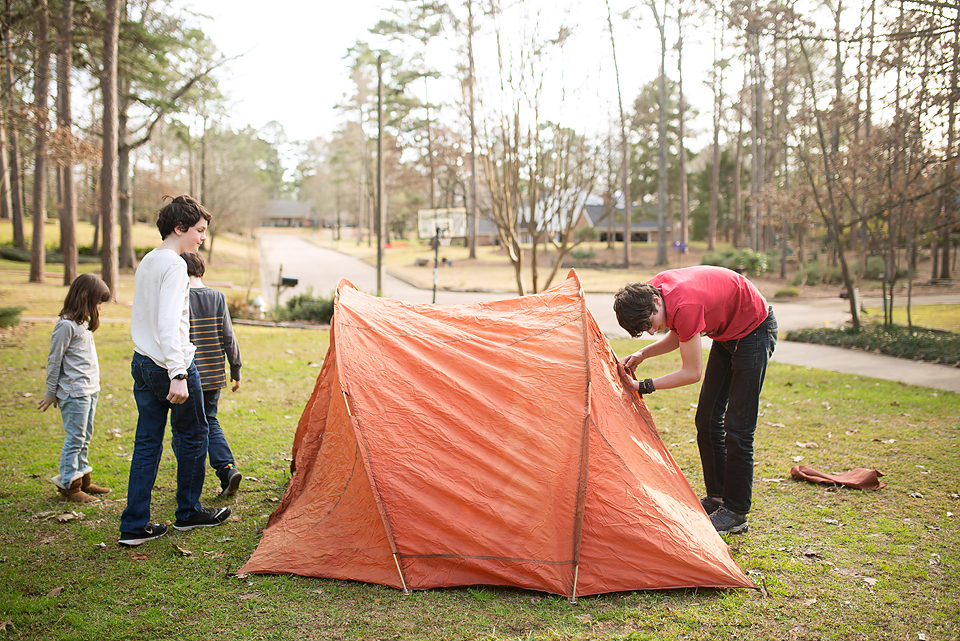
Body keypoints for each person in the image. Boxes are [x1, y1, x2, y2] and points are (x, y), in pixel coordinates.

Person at [614, 265, 777, 535]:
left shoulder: (684, 303)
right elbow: (679, 331)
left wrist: (643, 385)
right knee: (707, 418)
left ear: (656, 301)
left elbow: (691, 373)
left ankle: (736, 512)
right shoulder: (652, 294)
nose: (653, 332)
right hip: (727, 334)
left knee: (738, 428)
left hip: (754, 331)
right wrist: (643, 354)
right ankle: (717, 499)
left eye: (651, 325)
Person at [119, 195, 231, 547]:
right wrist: (178, 373)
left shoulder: (149, 260)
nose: (202, 238)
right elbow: (169, 323)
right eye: (198, 231)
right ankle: (188, 513)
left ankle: (134, 525)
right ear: (179, 228)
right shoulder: (175, 266)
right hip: (170, 364)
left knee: (147, 443)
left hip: (142, 360)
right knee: (194, 435)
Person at [39, 273, 113, 503]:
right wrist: (51, 391)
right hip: (74, 392)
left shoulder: (82, 323)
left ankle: (83, 479)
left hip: (89, 390)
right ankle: (70, 487)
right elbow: (54, 360)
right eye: (98, 302)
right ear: (85, 297)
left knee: (85, 436)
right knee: (75, 438)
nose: (100, 306)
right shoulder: (65, 326)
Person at [180, 251, 243, 497]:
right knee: (210, 420)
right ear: (202, 271)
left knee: (183, 428)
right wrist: (236, 369)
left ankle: (188, 483)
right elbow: (229, 337)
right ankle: (226, 469)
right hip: (215, 374)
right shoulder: (217, 297)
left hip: (187, 375)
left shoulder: (179, 298)